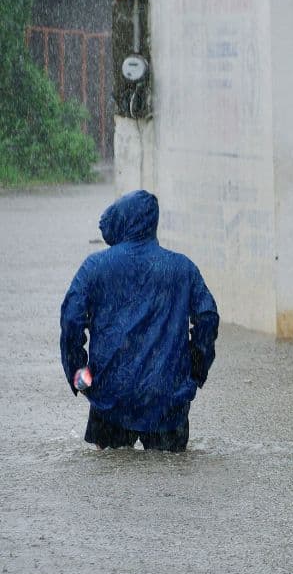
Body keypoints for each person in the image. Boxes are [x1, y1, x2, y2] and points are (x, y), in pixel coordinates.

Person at [60, 190, 219, 452]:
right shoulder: (182, 268)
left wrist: (80, 375)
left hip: (109, 395)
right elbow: (208, 317)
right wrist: (195, 370)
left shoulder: (94, 267)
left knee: (108, 479)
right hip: (167, 398)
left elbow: (71, 321)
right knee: (171, 481)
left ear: (121, 221)